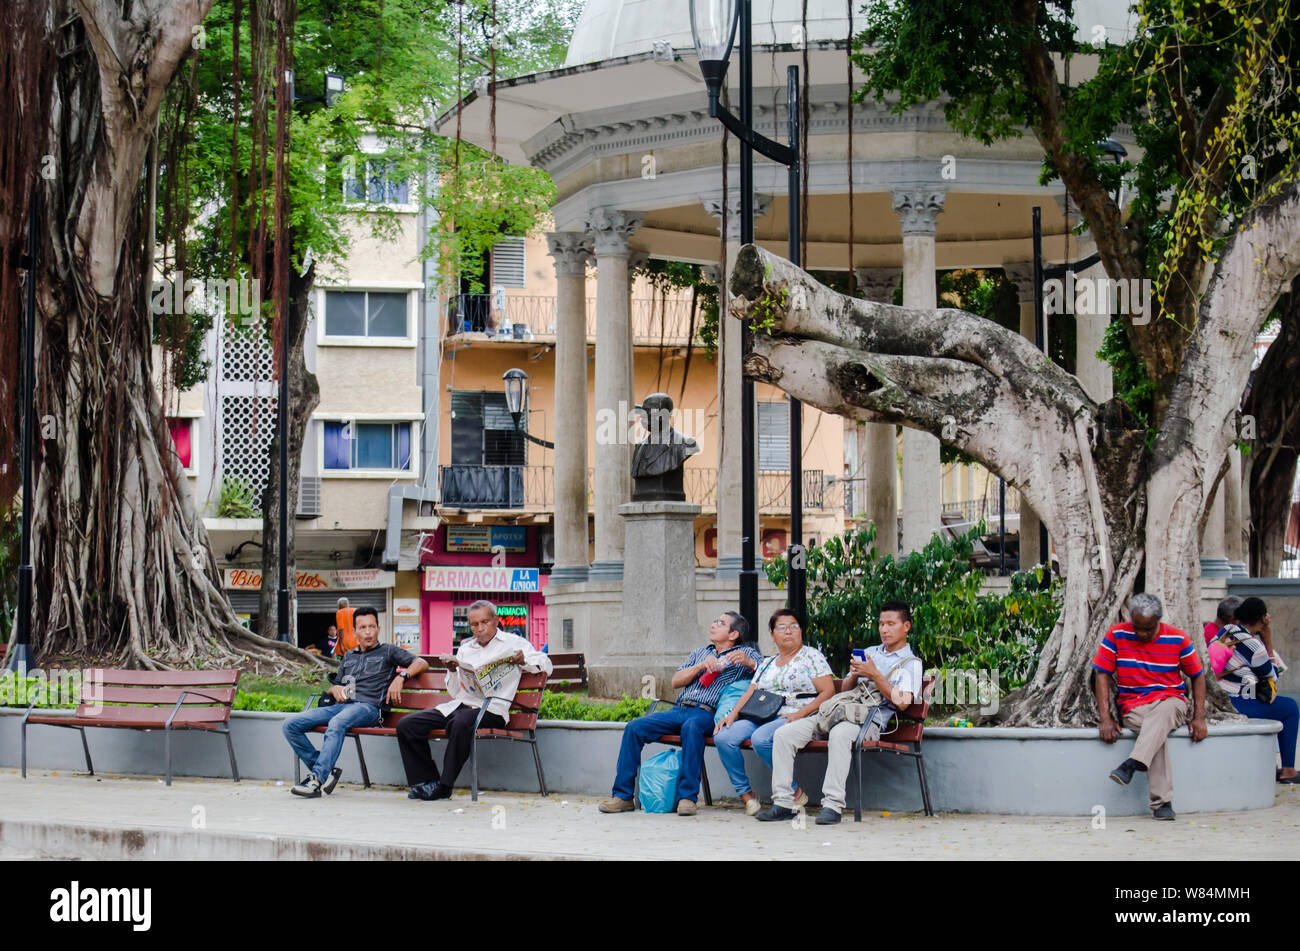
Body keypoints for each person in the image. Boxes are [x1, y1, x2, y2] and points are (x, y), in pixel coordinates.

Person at [762, 600, 923, 824]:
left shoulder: (911, 663)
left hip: (867, 721)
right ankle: (782, 802)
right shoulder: (869, 652)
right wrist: (856, 674)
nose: (884, 630)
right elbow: (845, 689)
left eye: (891, 624)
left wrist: (875, 674)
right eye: (881, 624)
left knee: (839, 734)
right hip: (836, 712)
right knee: (784, 734)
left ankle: (833, 805)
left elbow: (903, 703)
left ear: (906, 627)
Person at [598, 611, 762, 816]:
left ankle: (687, 798)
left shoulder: (745, 654)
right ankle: (622, 796)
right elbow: (676, 681)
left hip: (707, 713)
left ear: (733, 634)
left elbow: (768, 673)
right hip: (681, 707)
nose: (713, 624)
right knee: (634, 727)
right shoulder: (701, 652)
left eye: (720, 623)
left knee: (691, 727)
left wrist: (749, 663)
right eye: (714, 620)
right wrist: (701, 666)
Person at [397, 599, 552, 801]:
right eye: (474, 624)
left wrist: (524, 661)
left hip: (493, 710)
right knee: (407, 725)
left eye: (485, 622)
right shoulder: (466, 648)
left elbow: (546, 664)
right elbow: (454, 692)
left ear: (496, 621)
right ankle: (429, 781)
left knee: (460, 723)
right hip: (461, 706)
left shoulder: (514, 644)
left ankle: (444, 786)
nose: (480, 629)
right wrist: (453, 670)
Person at [282, 607, 428, 797]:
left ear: (378, 628)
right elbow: (336, 686)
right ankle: (327, 770)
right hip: (342, 706)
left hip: (369, 708)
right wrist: (335, 689)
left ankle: (316, 780)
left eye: (372, 627)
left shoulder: (388, 651)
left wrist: (401, 677)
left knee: (337, 723)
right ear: (355, 631)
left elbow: (421, 662)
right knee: (290, 724)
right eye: (363, 627)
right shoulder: (349, 656)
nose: (368, 632)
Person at [1092, 593, 1207, 820]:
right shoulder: (1116, 634)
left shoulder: (1177, 638)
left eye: (1148, 629)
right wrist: (1105, 718)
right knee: (1155, 731)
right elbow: (1102, 674)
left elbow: (1198, 676)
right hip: (1135, 706)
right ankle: (1162, 804)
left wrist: (1199, 717)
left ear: (1158, 621)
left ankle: (1132, 764)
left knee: (1162, 715)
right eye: (1137, 628)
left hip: (1171, 701)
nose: (1142, 634)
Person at [714, 608, 835, 816]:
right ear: (772, 634)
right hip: (761, 714)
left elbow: (828, 691)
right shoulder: (767, 663)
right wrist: (731, 716)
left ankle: (790, 791)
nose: (788, 631)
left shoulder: (811, 656)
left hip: (794, 713)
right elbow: (750, 692)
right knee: (724, 736)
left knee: (761, 738)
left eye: (794, 626)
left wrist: (800, 713)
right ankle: (747, 795)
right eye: (782, 627)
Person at [1215, 596, 1298, 783]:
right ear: (1262, 618)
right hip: (1238, 702)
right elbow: (1273, 675)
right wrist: (1267, 639)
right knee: (1290, 708)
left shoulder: (1226, 630)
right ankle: (1288, 770)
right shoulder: (1255, 647)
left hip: (1219, 696)